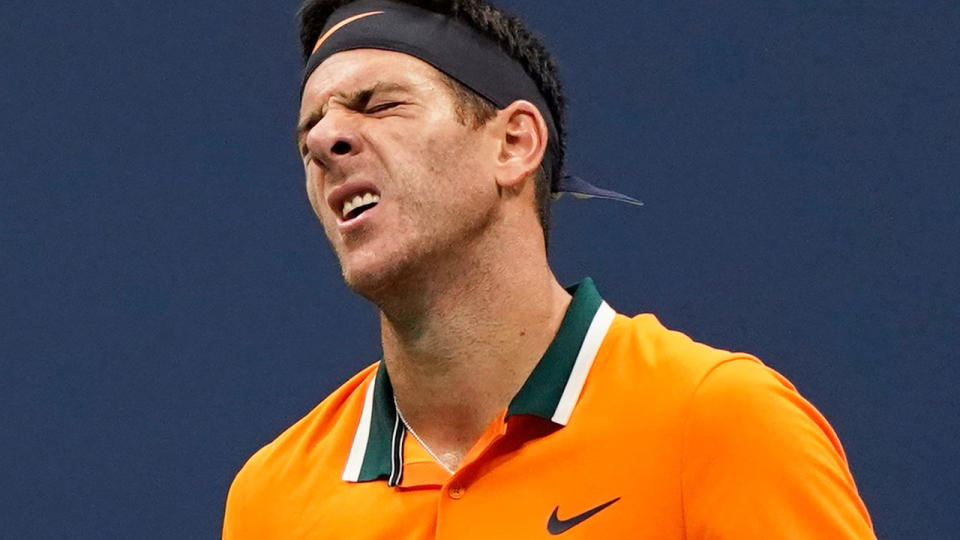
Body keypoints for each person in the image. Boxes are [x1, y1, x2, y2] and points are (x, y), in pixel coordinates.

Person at [223, 0, 875, 537]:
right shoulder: (271, 500)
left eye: (379, 105)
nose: (323, 142)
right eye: (309, 129)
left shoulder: (721, 424)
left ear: (513, 144)